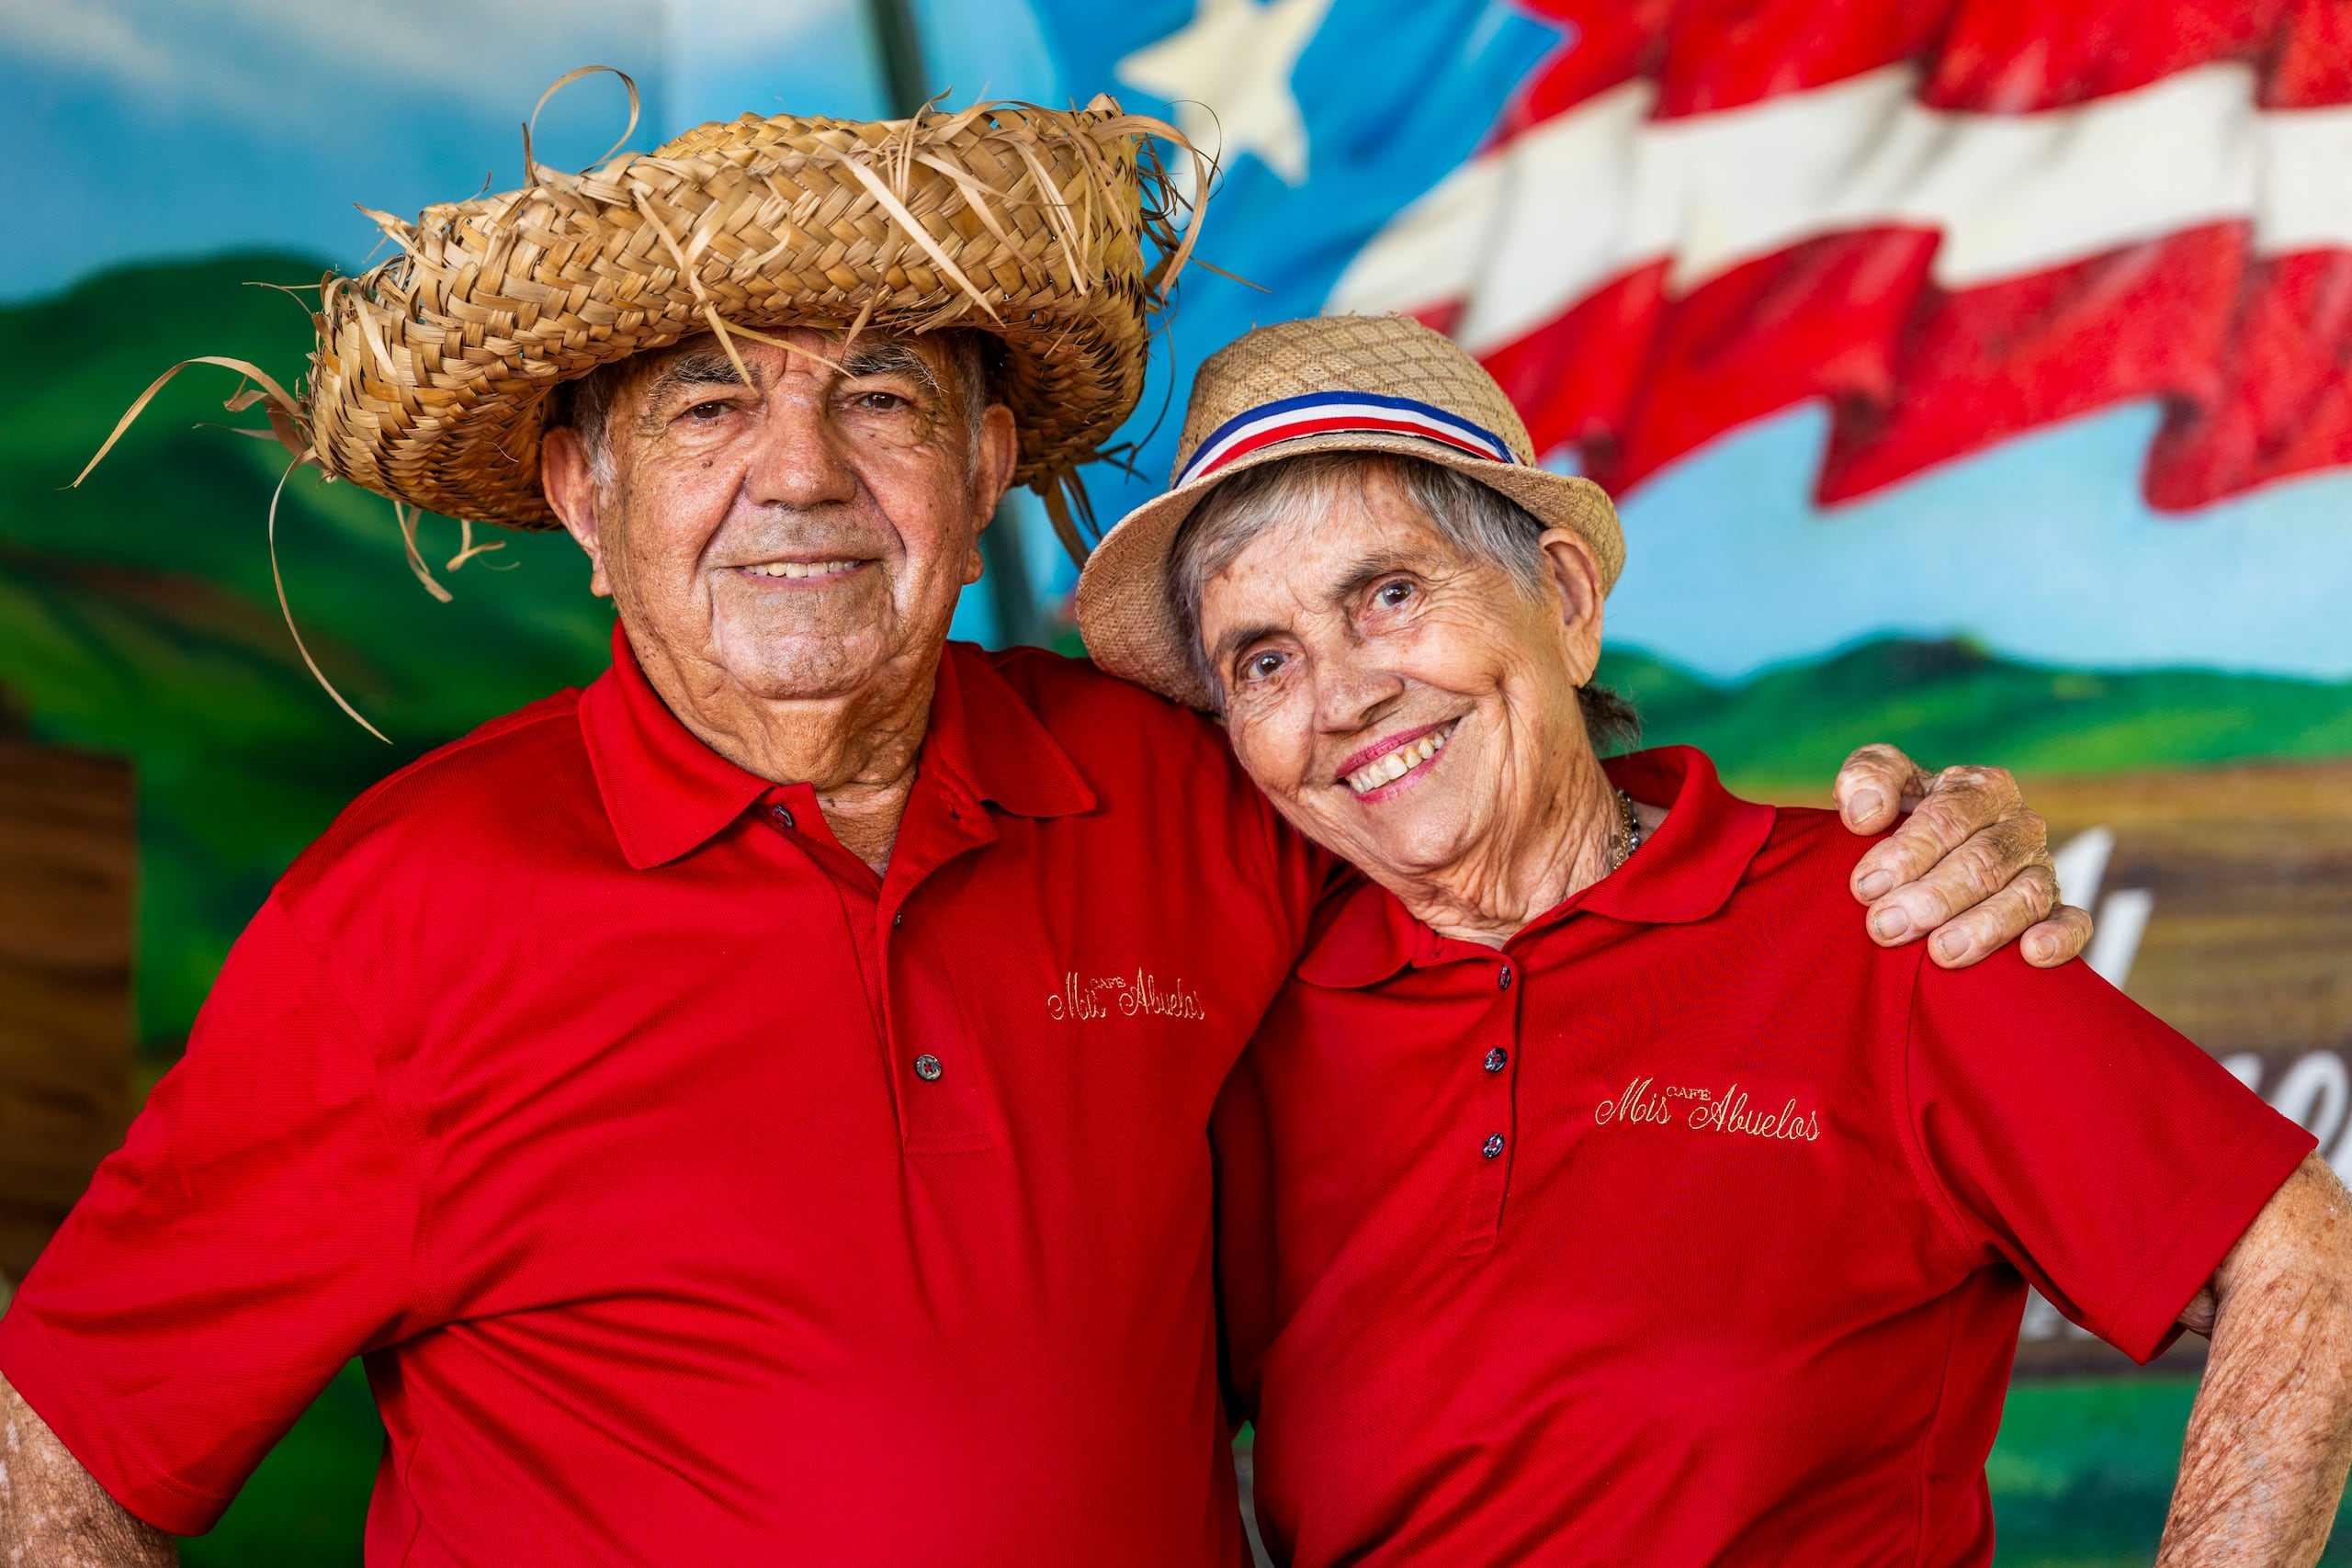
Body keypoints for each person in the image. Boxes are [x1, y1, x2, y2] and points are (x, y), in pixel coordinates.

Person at [0, 104, 2076, 1564]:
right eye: (708, 407)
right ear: (579, 489)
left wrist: (1922, 846)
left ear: (989, 459)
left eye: (886, 400)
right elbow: (70, 1449)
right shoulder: (410, 906)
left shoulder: (1194, 787)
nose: (801, 477)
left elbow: (1537, 840)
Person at [1072, 313, 2352, 1568]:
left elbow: (2307, 1265)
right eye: (1265, 662)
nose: (1343, 696)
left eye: (1390, 594)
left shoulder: (1885, 917)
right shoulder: (1258, 1026)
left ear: (1563, 601)